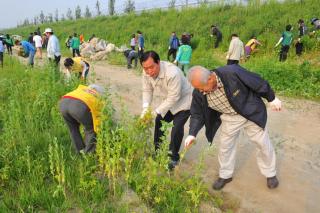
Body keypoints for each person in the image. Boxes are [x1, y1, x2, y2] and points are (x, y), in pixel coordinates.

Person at [185, 65, 281, 190]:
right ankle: (225, 175)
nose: (201, 92)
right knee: (225, 147)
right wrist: (192, 133)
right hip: (229, 117)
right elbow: (197, 113)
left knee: (263, 143)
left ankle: (270, 173)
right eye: (198, 89)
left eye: (202, 89)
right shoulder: (199, 91)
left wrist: (272, 98)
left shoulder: (232, 73)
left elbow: (257, 82)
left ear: (210, 79)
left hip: (250, 111)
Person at [140, 50, 193, 170]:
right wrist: (145, 108)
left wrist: (155, 112)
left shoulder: (172, 72)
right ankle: (158, 152)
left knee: (176, 128)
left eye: (151, 67)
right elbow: (147, 90)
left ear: (158, 62)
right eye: (145, 68)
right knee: (159, 121)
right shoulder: (146, 73)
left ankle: (173, 157)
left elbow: (174, 97)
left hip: (184, 101)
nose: (149, 71)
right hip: (169, 101)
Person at [59, 84, 105, 153]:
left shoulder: (82, 89)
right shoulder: (97, 97)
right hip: (79, 106)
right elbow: (97, 117)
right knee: (91, 129)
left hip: (63, 103)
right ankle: (88, 154)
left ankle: (79, 150)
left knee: (73, 128)